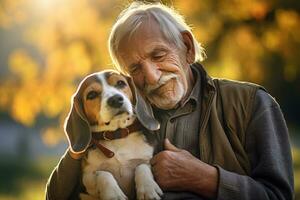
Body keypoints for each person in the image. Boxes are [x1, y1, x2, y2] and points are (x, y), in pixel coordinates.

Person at [46, 2, 294, 200]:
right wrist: (82, 145)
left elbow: (278, 195)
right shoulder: (124, 115)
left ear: (186, 46)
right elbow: (56, 196)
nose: (151, 77)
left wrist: (205, 178)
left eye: (159, 54)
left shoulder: (251, 103)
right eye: (134, 68)